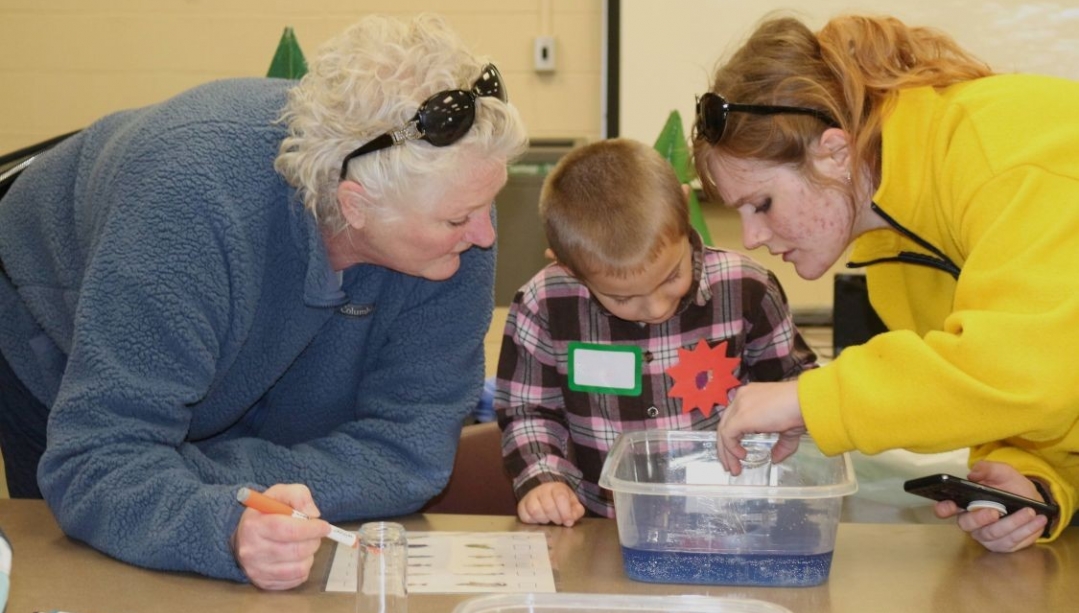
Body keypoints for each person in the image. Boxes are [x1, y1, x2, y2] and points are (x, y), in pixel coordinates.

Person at [0, 13, 527, 588]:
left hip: (238, 363)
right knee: (98, 577)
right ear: (354, 205)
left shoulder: (457, 202)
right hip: (60, 340)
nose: (485, 235)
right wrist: (223, 523)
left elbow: (411, 451)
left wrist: (197, 481)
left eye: (486, 206)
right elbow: (94, 462)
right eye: (458, 219)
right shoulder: (191, 205)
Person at [692, 13, 1079, 552]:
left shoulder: (1006, 152)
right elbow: (1025, 400)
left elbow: (1031, 376)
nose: (752, 236)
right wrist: (1036, 482)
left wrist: (810, 399)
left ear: (835, 152)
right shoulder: (894, 259)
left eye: (762, 203)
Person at [495, 138, 817, 526]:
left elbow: (795, 385)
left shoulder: (747, 288)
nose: (656, 308)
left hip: (733, 519)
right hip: (604, 526)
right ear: (567, 266)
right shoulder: (543, 304)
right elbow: (528, 412)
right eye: (623, 298)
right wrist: (543, 480)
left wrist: (798, 411)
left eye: (671, 277)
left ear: (684, 210)